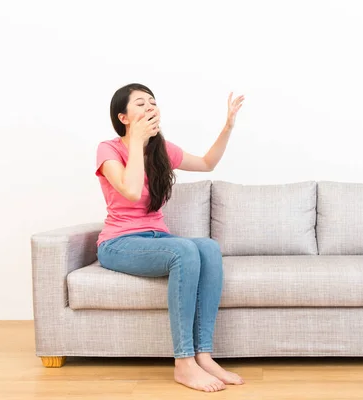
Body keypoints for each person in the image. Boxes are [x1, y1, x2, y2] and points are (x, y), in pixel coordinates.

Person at [95, 83, 245, 392]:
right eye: (140, 104)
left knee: (207, 247)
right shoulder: (108, 149)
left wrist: (228, 126)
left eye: (152, 101)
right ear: (123, 117)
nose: (150, 107)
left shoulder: (162, 150)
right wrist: (136, 143)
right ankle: (184, 363)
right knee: (184, 250)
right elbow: (132, 191)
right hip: (118, 244)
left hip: (153, 238)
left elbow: (207, 163)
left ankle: (203, 355)